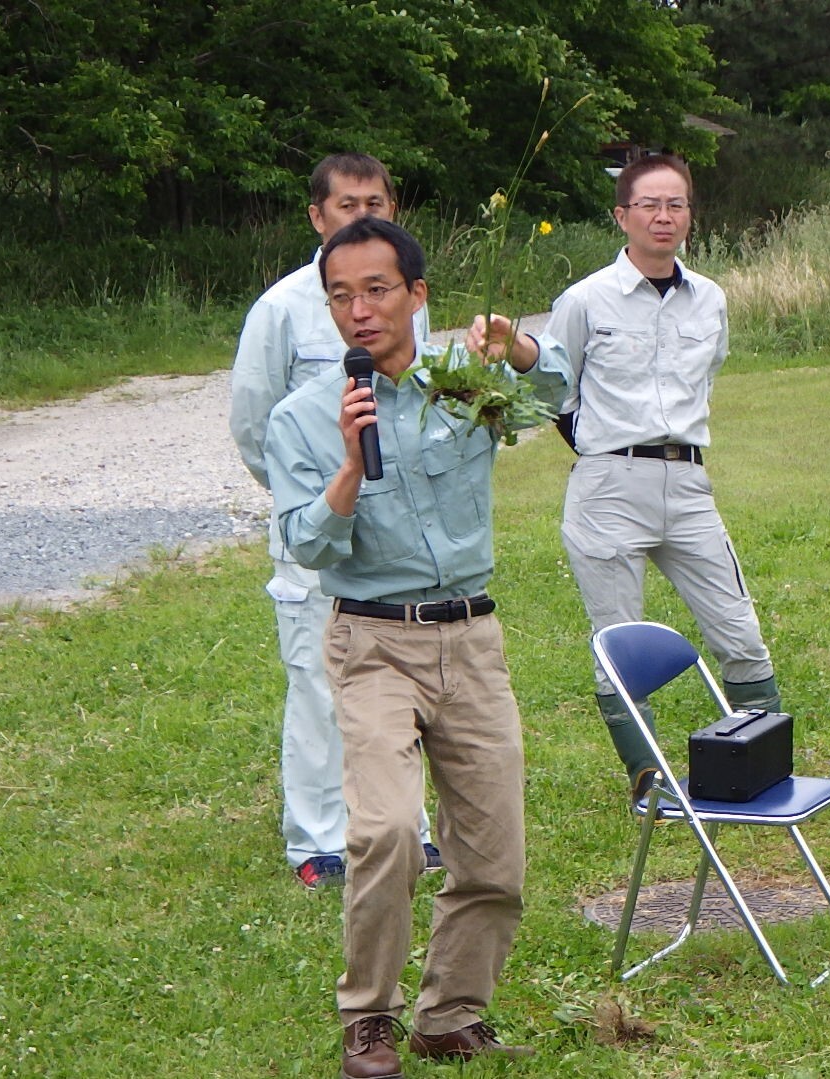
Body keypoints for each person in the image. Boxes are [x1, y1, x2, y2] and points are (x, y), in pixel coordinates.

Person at [264, 217, 569, 1078]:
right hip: (371, 642)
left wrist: (516, 349)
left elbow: (556, 394)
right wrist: (348, 469)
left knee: (494, 850)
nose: (358, 311)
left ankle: (450, 1014)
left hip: (470, 637)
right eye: (339, 295)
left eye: (376, 290)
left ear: (416, 295)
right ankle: (370, 1017)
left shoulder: (461, 384)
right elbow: (307, 546)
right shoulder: (303, 417)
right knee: (390, 831)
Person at [229, 153, 438, 889]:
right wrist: (310, 497)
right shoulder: (284, 308)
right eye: (345, 205)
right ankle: (318, 840)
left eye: (374, 202)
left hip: (396, 539)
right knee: (320, 683)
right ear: (316, 217)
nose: (361, 215)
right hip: (318, 531)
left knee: (403, 679)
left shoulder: (403, 300)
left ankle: (411, 828)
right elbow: (254, 425)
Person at [545, 153, 781, 799]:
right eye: (648, 204)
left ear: (689, 216)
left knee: (738, 629)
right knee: (618, 640)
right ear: (621, 215)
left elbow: (704, 377)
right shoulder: (585, 300)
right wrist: (603, 450)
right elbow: (552, 391)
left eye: (675, 204)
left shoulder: (710, 298)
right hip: (607, 488)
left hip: (687, 484)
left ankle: (757, 764)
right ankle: (647, 779)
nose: (662, 215)